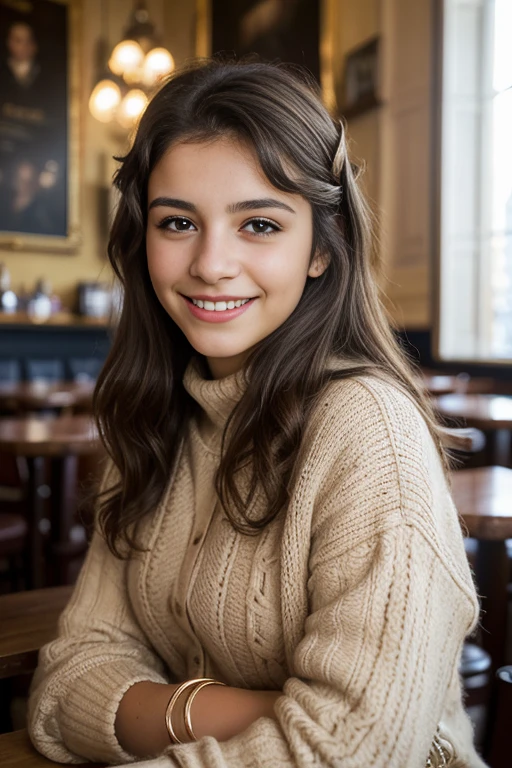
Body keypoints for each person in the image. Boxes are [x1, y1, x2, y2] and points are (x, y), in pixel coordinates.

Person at [28, 59, 486, 768]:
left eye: (260, 225)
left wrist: (161, 704)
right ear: (140, 239)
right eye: (177, 221)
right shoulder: (152, 419)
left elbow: (351, 754)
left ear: (320, 251)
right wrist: (257, 712)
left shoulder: (367, 431)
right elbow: (64, 688)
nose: (211, 262)